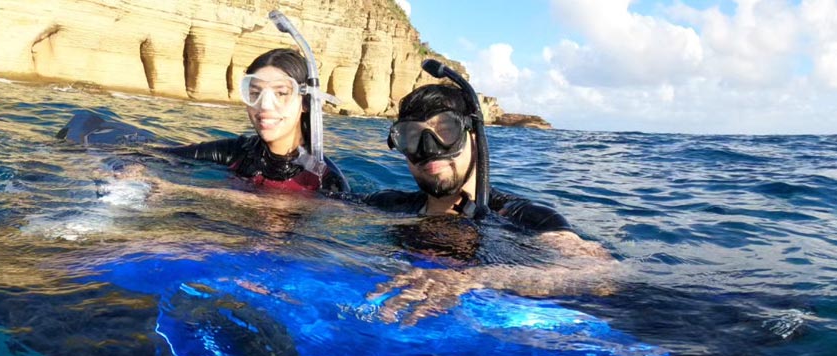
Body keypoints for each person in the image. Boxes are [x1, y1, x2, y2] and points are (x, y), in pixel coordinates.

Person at [362, 83, 620, 325]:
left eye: (445, 131)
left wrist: (471, 279)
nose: (428, 149)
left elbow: (601, 277)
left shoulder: (524, 218)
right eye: (412, 137)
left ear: (473, 137)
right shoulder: (388, 205)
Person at [163, 48, 349, 193]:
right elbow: (158, 156)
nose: (265, 105)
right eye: (254, 93)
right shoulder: (235, 153)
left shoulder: (326, 179)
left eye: (281, 93)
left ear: (306, 103)